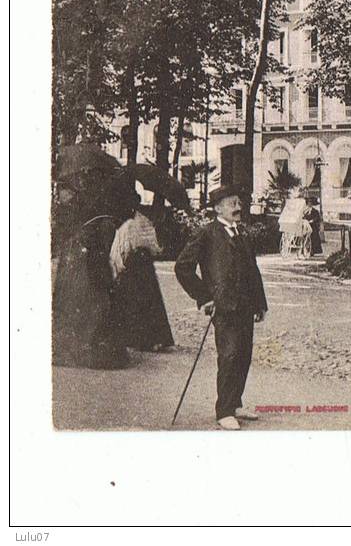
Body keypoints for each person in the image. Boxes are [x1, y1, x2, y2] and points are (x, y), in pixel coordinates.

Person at [175, 185, 268, 431]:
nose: (238, 208)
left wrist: (260, 303)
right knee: (229, 355)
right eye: (232, 204)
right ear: (218, 208)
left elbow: (253, 271)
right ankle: (224, 411)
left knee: (243, 355)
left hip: (246, 305)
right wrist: (204, 298)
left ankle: (235, 404)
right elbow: (183, 267)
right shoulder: (206, 234)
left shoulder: (242, 233)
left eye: (239, 203)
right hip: (223, 307)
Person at [52, 162, 130, 370]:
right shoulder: (89, 204)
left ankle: (87, 351)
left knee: (86, 305)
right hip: (82, 261)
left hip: (81, 262)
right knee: (88, 305)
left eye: (63, 189)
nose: (61, 194)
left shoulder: (78, 207)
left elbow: (71, 233)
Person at [110, 193, 175, 352]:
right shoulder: (146, 221)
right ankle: (156, 338)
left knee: (133, 300)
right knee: (151, 300)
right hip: (145, 264)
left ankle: (137, 338)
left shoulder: (127, 225)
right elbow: (154, 246)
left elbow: (122, 248)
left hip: (133, 265)